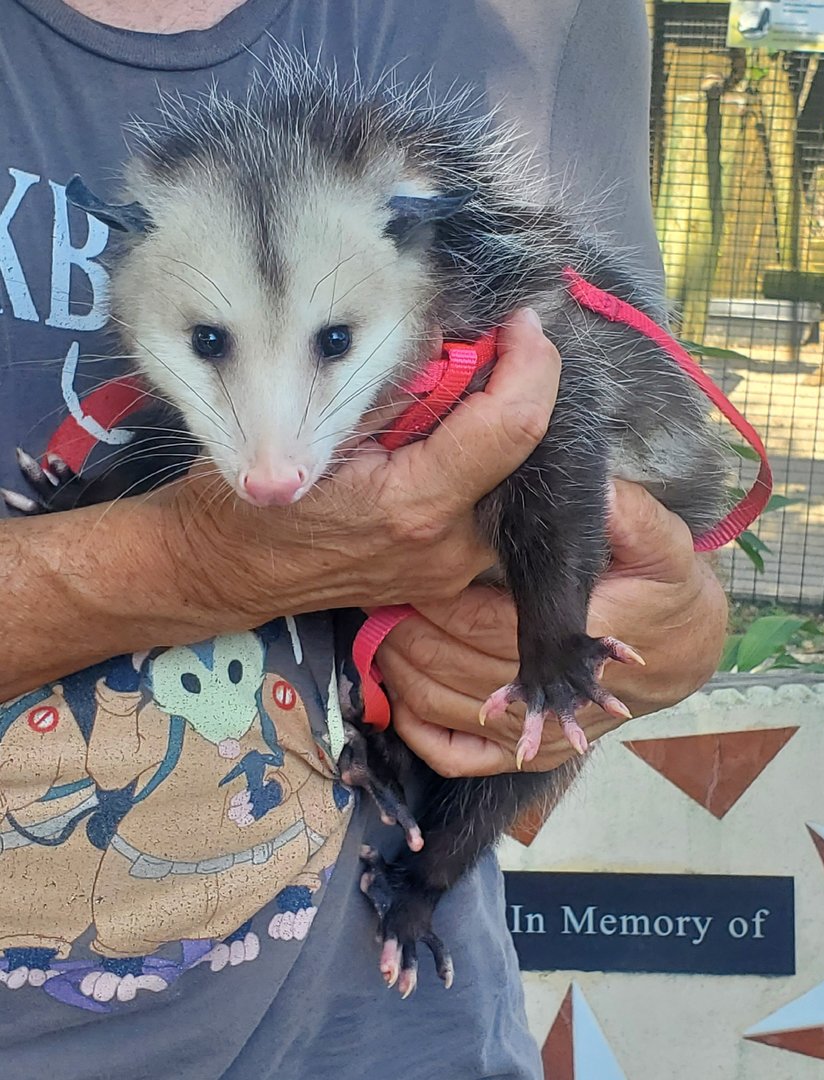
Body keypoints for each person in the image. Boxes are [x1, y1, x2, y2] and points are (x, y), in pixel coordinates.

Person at [0, 1, 727, 1077]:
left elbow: (653, 506)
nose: (273, 472)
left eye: (340, 344)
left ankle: (416, 886)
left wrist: (651, 634)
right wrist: (191, 559)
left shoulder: (531, 23)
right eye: (205, 346)